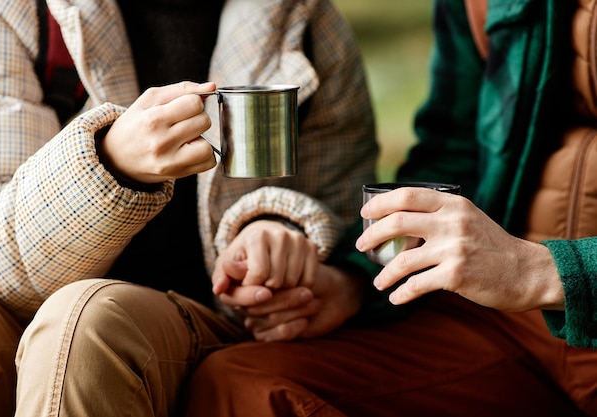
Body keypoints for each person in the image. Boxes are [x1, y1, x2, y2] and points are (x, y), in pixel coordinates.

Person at [0, 0, 388, 415]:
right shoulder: (12, 11)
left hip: (194, 324)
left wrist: (275, 230)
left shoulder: (301, 20)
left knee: (87, 322)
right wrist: (110, 163)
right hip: (16, 316)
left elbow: (343, 209)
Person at [184, 0, 597, 416]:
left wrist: (544, 272)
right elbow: (453, 151)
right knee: (243, 382)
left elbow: (529, 270)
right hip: (497, 318)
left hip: (553, 289)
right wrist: (358, 282)